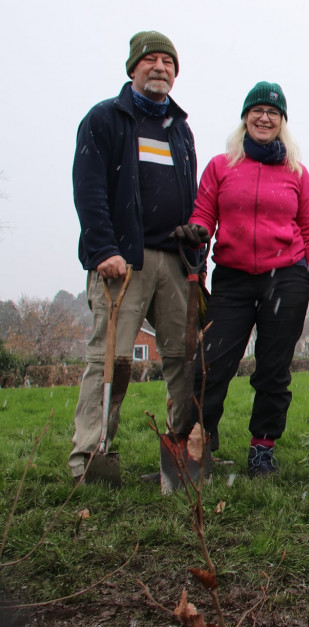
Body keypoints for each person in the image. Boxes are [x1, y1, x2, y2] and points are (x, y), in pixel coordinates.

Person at [175, 81, 309, 477]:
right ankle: (198, 441)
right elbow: (203, 214)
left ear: (282, 122)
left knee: (273, 369)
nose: (264, 117)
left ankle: (262, 447)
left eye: (273, 112)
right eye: (257, 110)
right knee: (211, 364)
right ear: (245, 117)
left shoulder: (296, 173)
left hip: (287, 278)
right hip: (234, 279)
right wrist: (196, 231)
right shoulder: (221, 166)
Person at [69, 31, 198, 482]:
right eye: (151, 60)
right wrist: (104, 248)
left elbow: (190, 197)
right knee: (113, 360)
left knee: (184, 358)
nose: (160, 68)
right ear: (133, 68)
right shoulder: (105, 119)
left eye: (168, 61)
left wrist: (194, 242)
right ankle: (92, 454)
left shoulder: (180, 130)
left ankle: (184, 449)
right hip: (123, 261)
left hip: (175, 263)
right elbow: (89, 189)